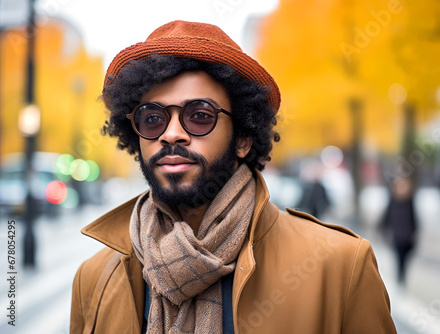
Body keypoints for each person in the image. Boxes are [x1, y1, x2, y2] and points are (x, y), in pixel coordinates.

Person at [70, 20, 396, 333]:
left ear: (242, 138)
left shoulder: (340, 267)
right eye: (152, 118)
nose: (170, 134)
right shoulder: (94, 278)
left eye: (199, 116)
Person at [380, 177, 418, 286]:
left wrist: (414, 231)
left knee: (405, 258)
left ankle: (402, 276)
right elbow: (387, 216)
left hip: (408, 236)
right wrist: (383, 229)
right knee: (398, 258)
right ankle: (400, 278)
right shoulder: (393, 201)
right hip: (397, 236)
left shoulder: (410, 201)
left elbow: (413, 218)